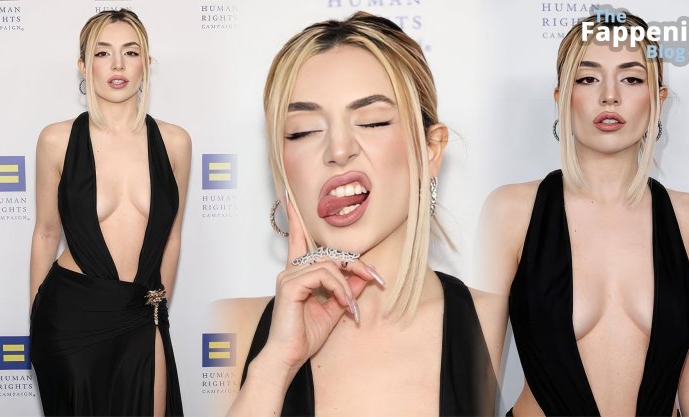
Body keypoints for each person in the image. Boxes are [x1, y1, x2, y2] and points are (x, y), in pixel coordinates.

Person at [214, 11, 496, 416]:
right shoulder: (230, 329)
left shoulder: (501, 320)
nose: (338, 149)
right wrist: (275, 367)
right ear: (281, 165)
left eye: (373, 122)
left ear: (430, 151)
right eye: (303, 131)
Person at [478, 12, 689, 417]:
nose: (610, 96)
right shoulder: (510, 212)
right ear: (561, 97)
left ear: (658, 98)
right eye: (588, 78)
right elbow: (476, 375)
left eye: (631, 79)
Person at [29, 9, 191, 416]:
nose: (118, 65)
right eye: (103, 53)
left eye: (130, 52)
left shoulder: (175, 142)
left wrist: (154, 310)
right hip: (70, 317)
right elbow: (46, 233)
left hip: (141, 311)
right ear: (84, 66)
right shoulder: (56, 140)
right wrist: (36, 320)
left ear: (146, 64)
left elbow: (172, 236)